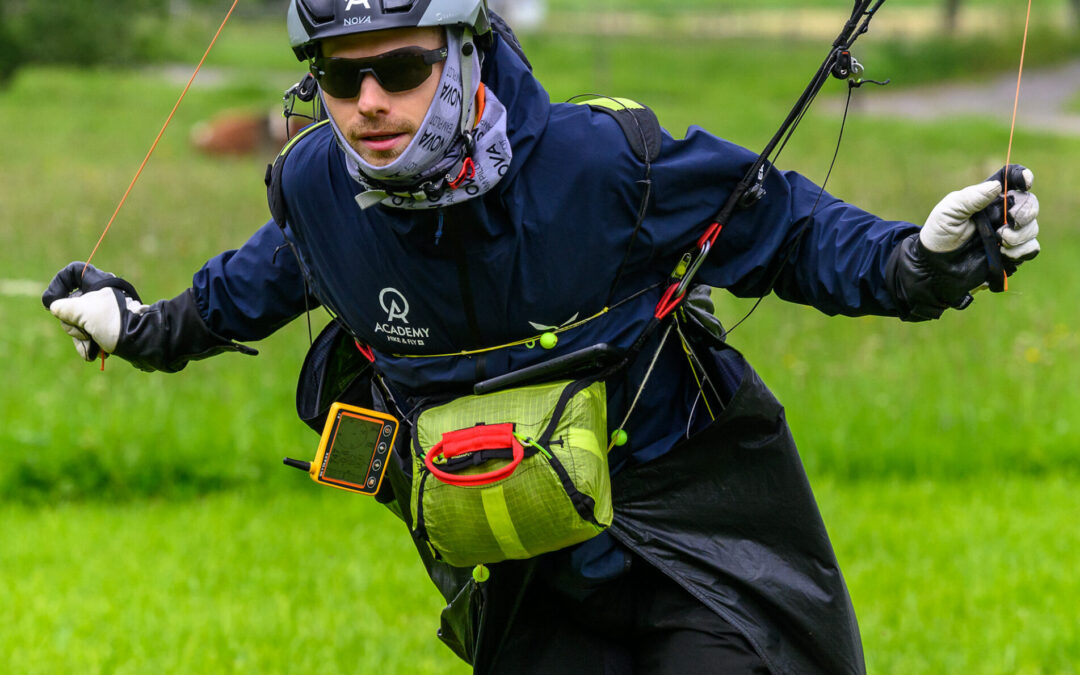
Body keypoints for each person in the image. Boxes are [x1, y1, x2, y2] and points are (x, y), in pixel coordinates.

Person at [42, 1, 1041, 673]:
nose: (370, 103)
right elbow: (238, 294)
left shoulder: (599, 165)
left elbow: (788, 232)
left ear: (465, 53)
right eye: (341, 83)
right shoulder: (319, 192)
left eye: (399, 68)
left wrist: (924, 261)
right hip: (526, 574)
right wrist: (136, 327)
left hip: (691, 548)